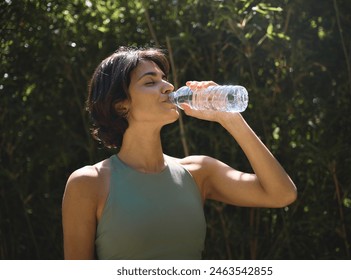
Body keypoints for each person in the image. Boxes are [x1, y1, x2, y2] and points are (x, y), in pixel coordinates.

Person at [62, 46, 297, 260]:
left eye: (164, 78)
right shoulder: (89, 183)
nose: (168, 86)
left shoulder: (199, 172)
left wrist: (231, 120)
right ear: (121, 104)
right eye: (150, 82)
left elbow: (281, 194)